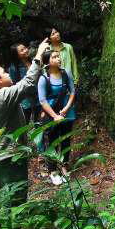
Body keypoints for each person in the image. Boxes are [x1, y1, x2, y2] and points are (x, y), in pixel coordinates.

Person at [0, 38, 50, 205]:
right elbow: (28, 83)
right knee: (17, 202)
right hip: (9, 158)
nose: (8, 73)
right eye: (4, 72)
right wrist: (38, 54)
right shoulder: (0, 97)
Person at [38, 49, 76, 180]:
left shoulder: (66, 73)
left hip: (67, 111)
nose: (58, 59)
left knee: (66, 139)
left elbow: (72, 92)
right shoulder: (43, 79)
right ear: (47, 62)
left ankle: (64, 164)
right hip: (51, 112)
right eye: (54, 57)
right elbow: (42, 100)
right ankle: (53, 170)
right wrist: (54, 116)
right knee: (52, 141)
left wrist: (66, 108)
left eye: (58, 56)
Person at [8, 43, 39, 122]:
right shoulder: (13, 68)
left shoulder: (33, 62)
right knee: (25, 122)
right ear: (16, 55)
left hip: (38, 96)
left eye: (25, 48)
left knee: (38, 121)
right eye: (22, 50)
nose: (26, 50)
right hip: (25, 99)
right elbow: (14, 85)